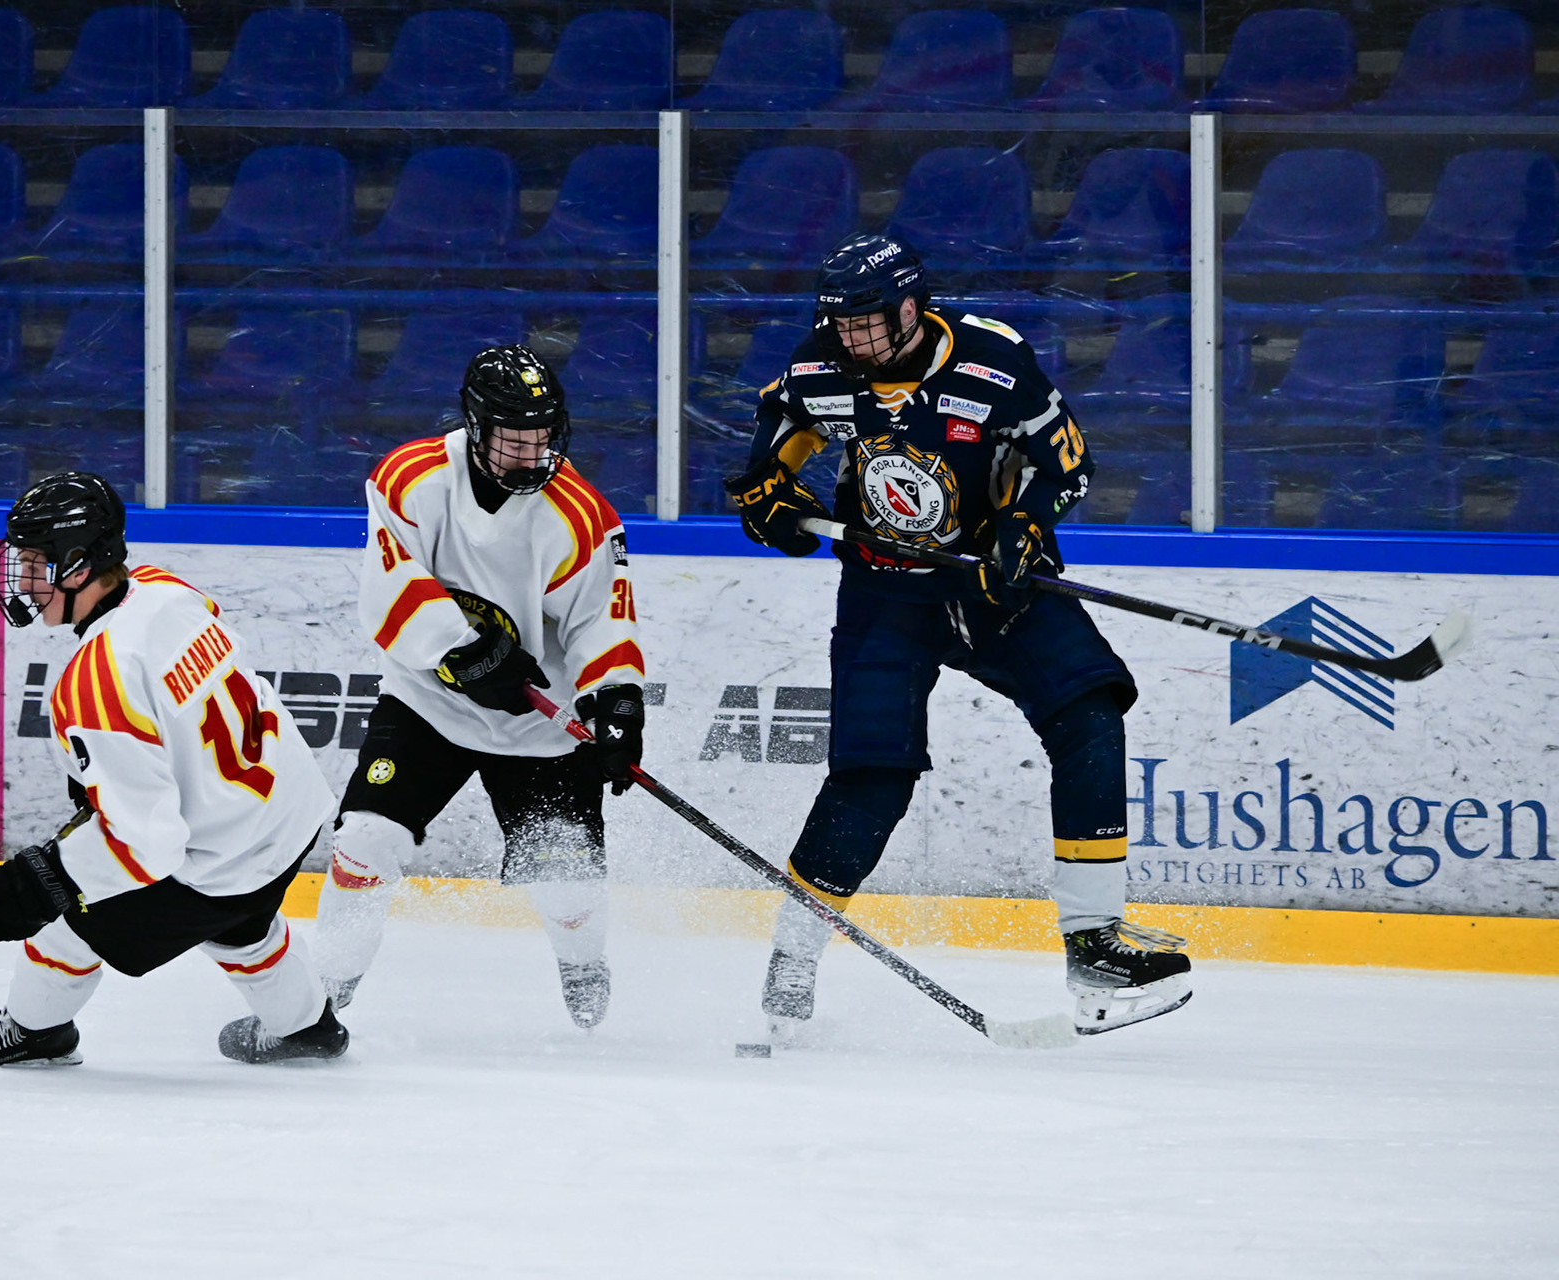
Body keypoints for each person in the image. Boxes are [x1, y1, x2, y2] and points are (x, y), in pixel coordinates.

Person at [725, 233, 1192, 1038]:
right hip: (884, 595)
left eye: (868, 322)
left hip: (991, 587)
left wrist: (1025, 525)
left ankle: (1094, 946)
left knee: (1089, 714)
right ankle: (791, 964)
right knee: (872, 779)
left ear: (912, 307)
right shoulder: (820, 367)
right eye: (841, 324)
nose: (851, 339)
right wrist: (769, 498)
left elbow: (1068, 464)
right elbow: (778, 436)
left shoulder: (993, 362)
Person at [0, 472, 348, 1067]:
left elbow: (147, 844)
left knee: (67, 925)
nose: (23, 580)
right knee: (243, 924)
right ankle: (307, 1029)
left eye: (33, 563)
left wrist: (45, 880)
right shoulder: (164, 588)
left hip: (224, 850)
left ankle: (35, 1032)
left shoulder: (95, 683)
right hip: (289, 810)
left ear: (77, 567)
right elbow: (186, 698)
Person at [313, 344, 647, 1029]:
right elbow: (393, 588)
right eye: (514, 439)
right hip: (427, 702)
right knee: (366, 839)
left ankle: (583, 960)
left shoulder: (580, 515)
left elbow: (600, 622)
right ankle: (318, 999)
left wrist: (617, 700)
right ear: (475, 425)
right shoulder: (411, 479)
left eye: (542, 437)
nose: (531, 453)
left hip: (539, 724)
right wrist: (466, 655)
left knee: (566, 880)